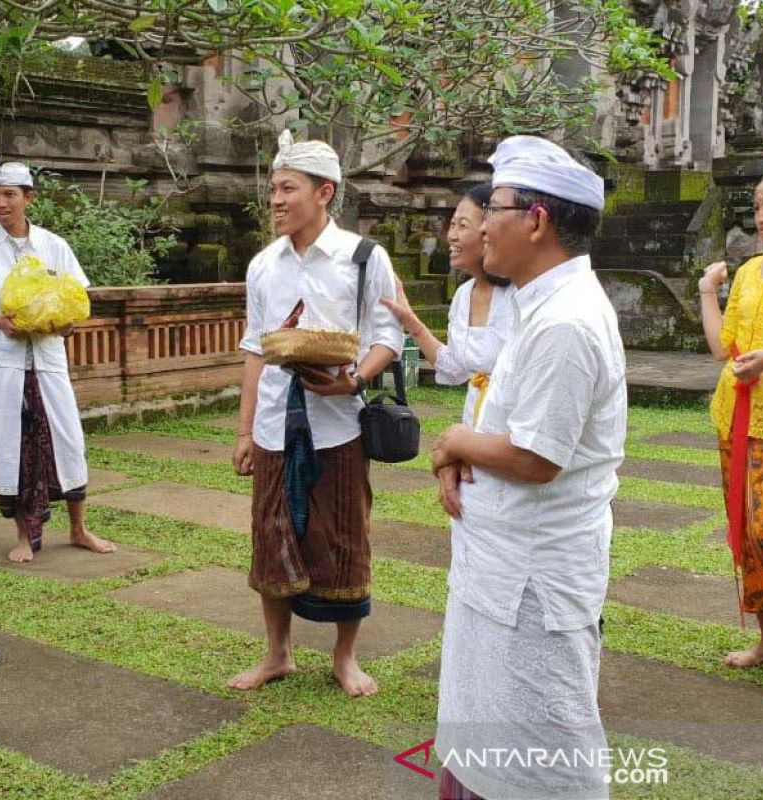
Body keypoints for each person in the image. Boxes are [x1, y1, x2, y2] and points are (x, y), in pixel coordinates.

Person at [429, 136, 626, 799]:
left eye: (497, 206)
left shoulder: (565, 323)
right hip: (502, 572)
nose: (482, 222)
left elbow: (537, 457)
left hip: (532, 582)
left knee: (543, 754)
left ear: (536, 221)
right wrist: (460, 449)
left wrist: (457, 439)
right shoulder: (539, 307)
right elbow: (512, 428)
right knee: (488, 733)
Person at [230, 130, 402, 698]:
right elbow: (257, 347)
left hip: (340, 423)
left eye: (287, 189)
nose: (276, 200)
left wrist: (353, 379)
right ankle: (277, 653)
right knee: (271, 533)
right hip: (276, 421)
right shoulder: (263, 265)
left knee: (344, 535)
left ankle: (345, 656)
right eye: (273, 190)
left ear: (324, 192)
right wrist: (245, 429)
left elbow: (387, 336)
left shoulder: (363, 257)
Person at [0, 159, 115, 563]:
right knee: (11, 443)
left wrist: (63, 325)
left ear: (28, 198)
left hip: (48, 358)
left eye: (9, 195)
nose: (1, 203)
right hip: (2, 359)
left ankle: (79, 528)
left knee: (66, 438)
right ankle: (22, 535)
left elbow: (78, 300)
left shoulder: (53, 245)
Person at [699, 166, 763, 700]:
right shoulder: (753, 271)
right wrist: (707, 292)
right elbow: (722, 348)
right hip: (735, 415)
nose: (761, 216)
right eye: (757, 206)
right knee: (743, 531)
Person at [379, 183, 514, 426]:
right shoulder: (463, 295)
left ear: (490, 231)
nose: (451, 235)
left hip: (512, 427)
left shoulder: (519, 295)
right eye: (452, 224)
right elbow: (454, 369)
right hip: (475, 426)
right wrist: (410, 319)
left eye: (463, 226)